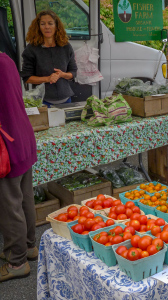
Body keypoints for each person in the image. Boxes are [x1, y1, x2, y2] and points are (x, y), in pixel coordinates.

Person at [0, 52, 38, 282]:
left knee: (9, 205)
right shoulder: (5, 59)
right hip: (21, 135)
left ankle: (17, 261)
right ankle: (28, 247)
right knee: (25, 198)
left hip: (6, 144)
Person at [21, 10, 78, 107]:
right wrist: (47, 78)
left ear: (56, 26)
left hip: (66, 100)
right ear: (38, 27)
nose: (47, 27)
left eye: (50, 23)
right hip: (43, 102)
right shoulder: (31, 49)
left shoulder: (66, 46)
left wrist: (62, 74)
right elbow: (27, 77)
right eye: (43, 24)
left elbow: (73, 72)